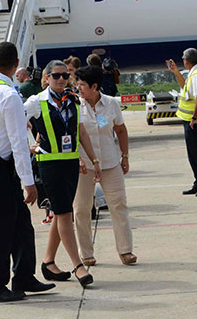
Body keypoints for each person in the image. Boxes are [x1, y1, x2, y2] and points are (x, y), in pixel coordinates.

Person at [0, 42, 56, 302]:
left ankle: (23, 276)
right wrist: (28, 182)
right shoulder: (8, 95)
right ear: (16, 64)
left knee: (20, 225)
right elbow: (18, 142)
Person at [24, 60, 101, 288]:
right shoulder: (36, 102)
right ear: (46, 77)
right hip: (50, 165)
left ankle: (48, 262)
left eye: (65, 75)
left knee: (60, 213)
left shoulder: (74, 100)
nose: (60, 79)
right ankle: (78, 265)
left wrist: (93, 158)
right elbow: (16, 121)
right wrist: (30, 145)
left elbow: (80, 130)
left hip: (69, 164)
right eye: (56, 75)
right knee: (65, 213)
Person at [73, 65, 137, 266]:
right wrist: (78, 158)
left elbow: (120, 130)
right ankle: (86, 253)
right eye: (77, 84)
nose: (78, 88)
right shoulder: (75, 105)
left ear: (94, 86)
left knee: (119, 205)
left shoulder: (110, 104)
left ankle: (125, 250)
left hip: (110, 162)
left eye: (82, 85)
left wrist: (125, 156)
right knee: (82, 209)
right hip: (84, 166)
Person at [167, 48, 197, 197]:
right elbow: (185, 89)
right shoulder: (193, 74)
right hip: (189, 120)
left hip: (195, 121)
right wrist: (176, 72)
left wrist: (194, 118)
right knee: (193, 154)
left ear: (186, 60)